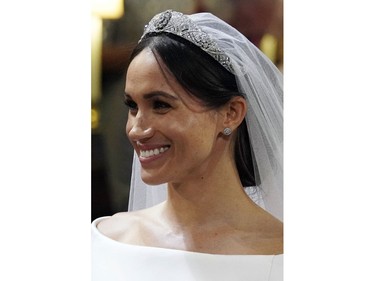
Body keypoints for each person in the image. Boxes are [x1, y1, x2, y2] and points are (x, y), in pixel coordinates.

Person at [92, 9, 283, 280]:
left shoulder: (282, 253)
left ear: (231, 113)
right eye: (132, 106)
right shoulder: (105, 243)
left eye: (160, 105)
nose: (137, 129)